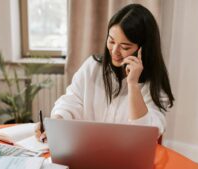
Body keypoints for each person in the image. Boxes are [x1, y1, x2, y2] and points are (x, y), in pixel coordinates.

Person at [36, 4, 174, 142]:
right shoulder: (93, 66)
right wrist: (55, 124)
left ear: (143, 49)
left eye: (125, 47)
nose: (114, 51)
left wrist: (133, 85)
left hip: (127, 157)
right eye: (111, 41)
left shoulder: (154, 84)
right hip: (87, 149)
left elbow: (146, 134)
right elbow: (71, 101)